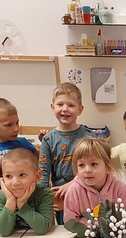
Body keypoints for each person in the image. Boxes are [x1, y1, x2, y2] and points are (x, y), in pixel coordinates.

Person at [39, 83, 93, 224]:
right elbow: (43, 173)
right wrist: (41, 199)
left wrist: (75, 183)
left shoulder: (88, 137)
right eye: (60, 104)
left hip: (86, 191)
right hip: (61, 196)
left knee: (89, 229)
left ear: (80, 109)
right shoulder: (48, 139)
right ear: (52, 107)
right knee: (66, 230)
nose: (65, 109)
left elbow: (96, 166)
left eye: (71, 105)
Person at [62, 138, 126, 222]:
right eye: (81, 165)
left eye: (93, 164)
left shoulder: (119, 188)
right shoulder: (74, 190)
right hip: (85, 231)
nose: (87, 170)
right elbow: (70, 221)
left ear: (108, 167)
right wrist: (94, 225)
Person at [0, 148, 54, 237]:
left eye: (22, 175)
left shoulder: (44, 194)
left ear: (37, 176)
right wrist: (10, 201)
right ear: (2, 179)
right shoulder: (0, 196)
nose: (15, 183)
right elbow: (2, 231)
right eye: (8, 176)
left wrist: (21, 204)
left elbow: (43, 228)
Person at [0, 97, 37, 191]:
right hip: (1, 196)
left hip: (27, 193)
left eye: (17, 123)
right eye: (9, 125)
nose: (16, 129)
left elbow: (39, 158)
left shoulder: (23, 143)